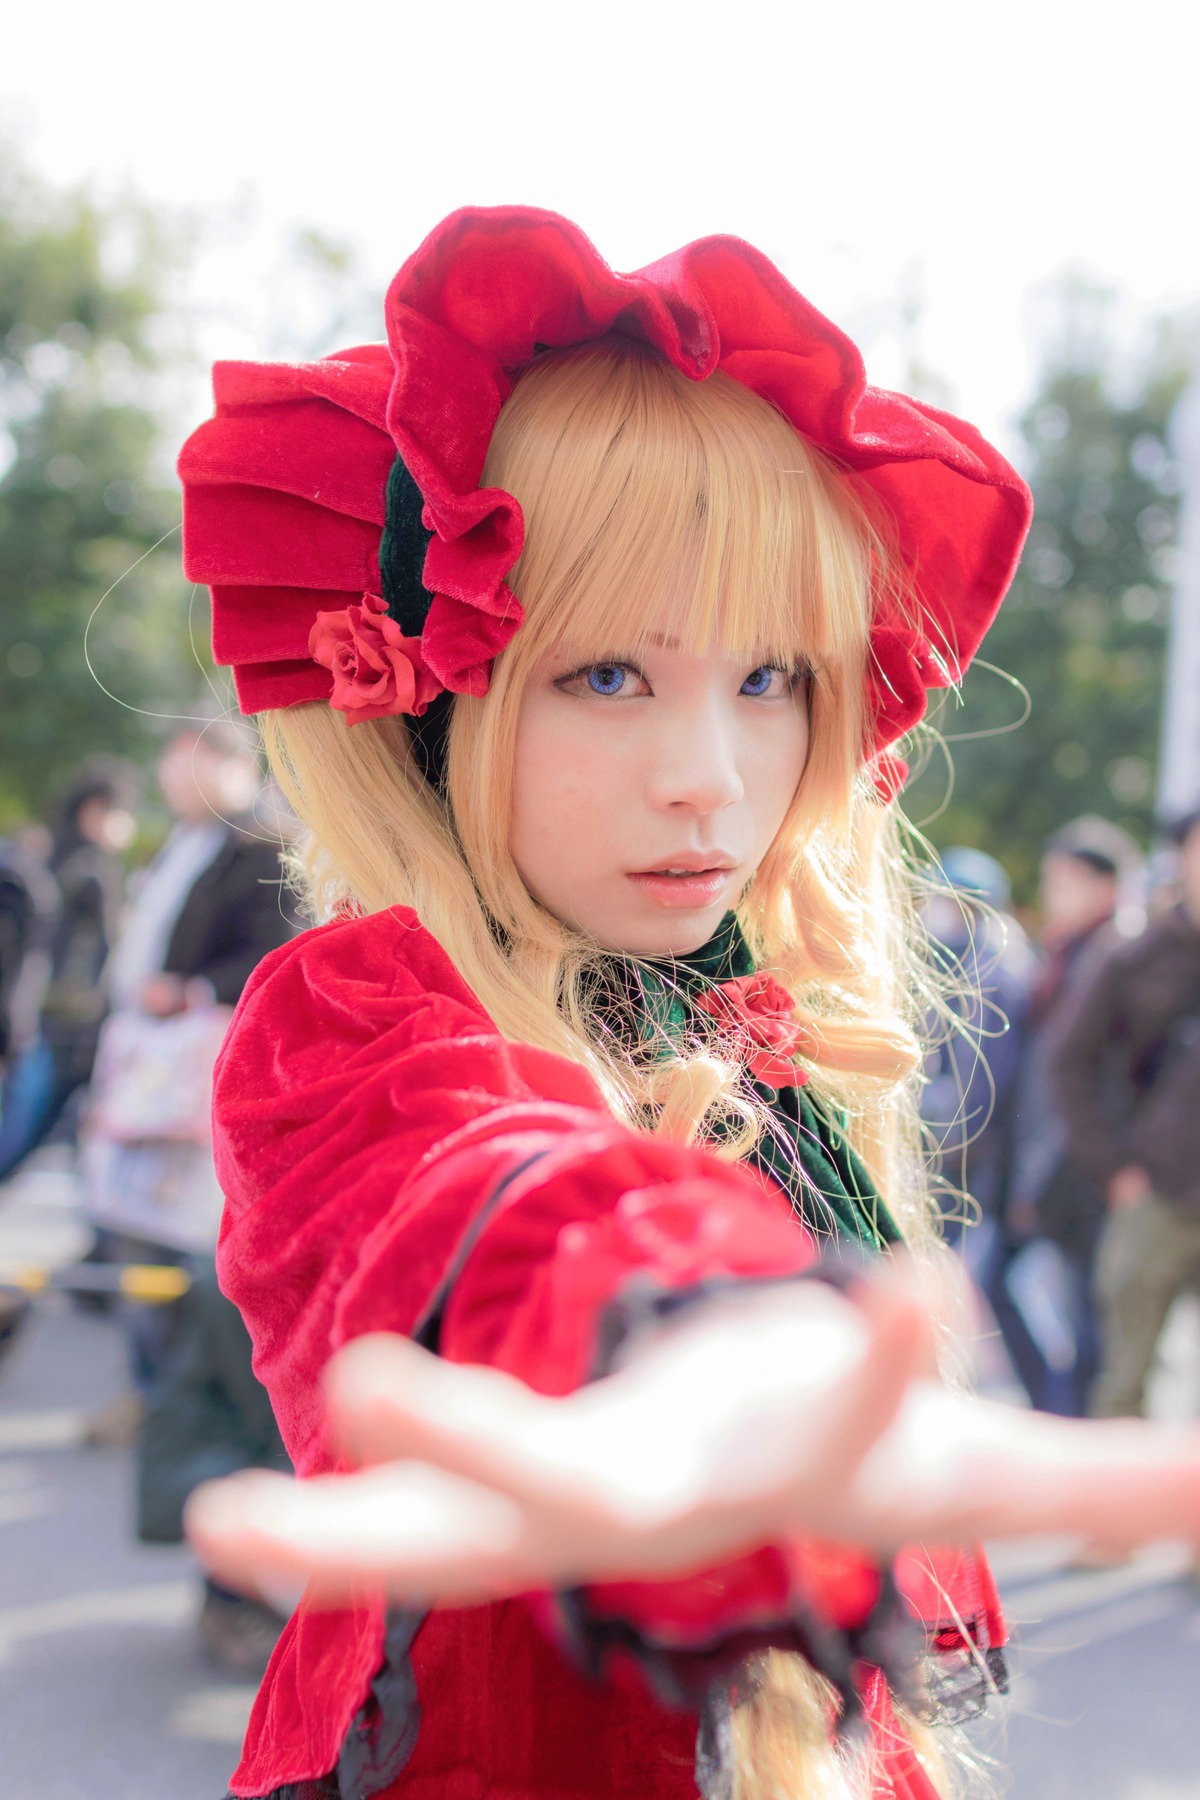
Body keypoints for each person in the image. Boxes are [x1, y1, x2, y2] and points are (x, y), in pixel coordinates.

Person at [171, 209, 1200, 1800]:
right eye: (604, 675)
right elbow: (499, 1190)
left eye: (769, 678)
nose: (708, 780)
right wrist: (689, 1332)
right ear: (441, 697)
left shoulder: (747, 1001)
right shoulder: (367, 1007)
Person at [1053, 805, 1200, 1420]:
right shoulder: (1137, 956)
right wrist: (1115, 1169)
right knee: (1125, 1384)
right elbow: (1068, 1062)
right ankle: (1117, 1517)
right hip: (1157, 1190)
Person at [992, 817, 1141, 1416]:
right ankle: (1055, 1409)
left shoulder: (1115, 957)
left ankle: (1068, 1419)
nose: (1053, 896)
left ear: (1104, 886)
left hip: (1087, 1166)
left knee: (1088, 1320)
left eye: (1065, 882)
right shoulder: (1067, 954)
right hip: (1054, 1158)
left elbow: (1085, 1078)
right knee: (1036, 1296)